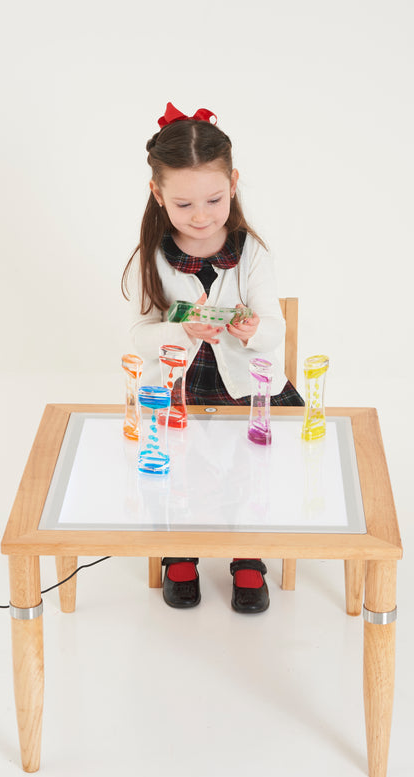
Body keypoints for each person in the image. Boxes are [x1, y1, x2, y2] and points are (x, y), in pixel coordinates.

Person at [122, 102, 304, 614]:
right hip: (178, 388)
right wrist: (180, 329)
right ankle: (179, 555)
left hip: (246, 387)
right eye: (183, 205)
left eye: (214, 200)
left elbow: (275, 330)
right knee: (179, 467)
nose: (201, 217)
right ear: (158, 195)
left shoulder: (252, 253)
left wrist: (250, 332)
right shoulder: (152, 257)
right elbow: (139, 338)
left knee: (251, 469)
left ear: (234, 184)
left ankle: (248, 559)